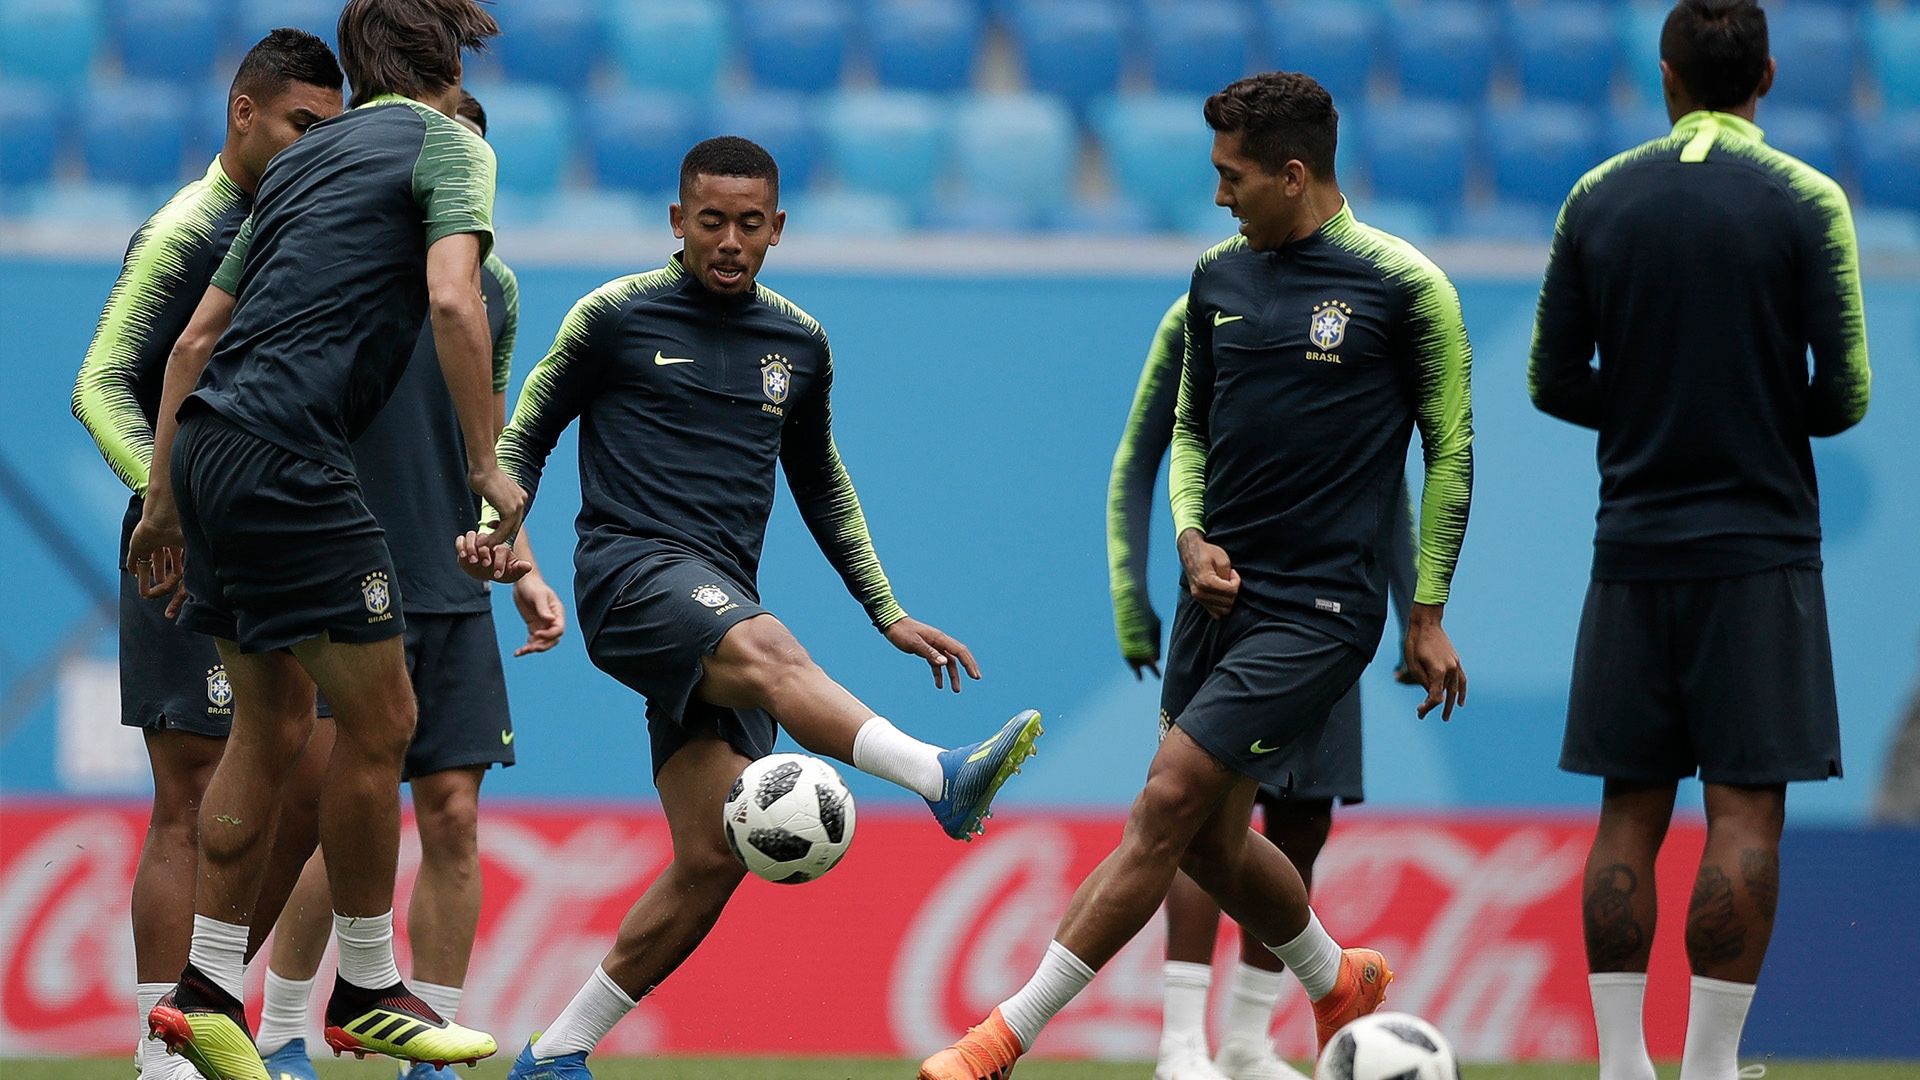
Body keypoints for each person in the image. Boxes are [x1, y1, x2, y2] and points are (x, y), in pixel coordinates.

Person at [922, 71, 1473, 1080]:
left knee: (1167, 801)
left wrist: (1426, 611)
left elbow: (1452, 452)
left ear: (1293, 174)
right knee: (1211, 844)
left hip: (1322, 608)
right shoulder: (1217, 278)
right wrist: (1185, 539)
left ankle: (1001, 1040)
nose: (1218, 195)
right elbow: (1186, 431)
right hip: (1213, 603)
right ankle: (1334, 978)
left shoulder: (1404, 287)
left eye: (1233, 177)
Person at [478, 136, 1042, 1079]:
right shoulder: (613, 317)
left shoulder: (801, 343)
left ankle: (557, 1051)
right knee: (772, 648)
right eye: (711, 222)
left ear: (778, 227)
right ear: (677, 222)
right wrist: (499, 531)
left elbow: (823, 484)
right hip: (628, 574)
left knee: (713, 855)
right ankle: (942, 779)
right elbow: (525, 433)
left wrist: (885, 610)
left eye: (749, 224)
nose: (729, 242)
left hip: (717, 602)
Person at [125, 1, 517, 1076]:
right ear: (445, 64)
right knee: (384, 718)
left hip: (209, 450)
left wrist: (165, 498)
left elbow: (197, 339)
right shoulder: (452, 145)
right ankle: (368, 984)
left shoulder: (302, 161)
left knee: (273, 721)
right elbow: (453, 301)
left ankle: (206, 991)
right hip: (293, 455)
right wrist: (486, 464)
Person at [1528, 3, 1870, 1079]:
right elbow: (1846, 393)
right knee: (1743, 808)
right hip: (1761, 551)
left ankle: (1622, 1067)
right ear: (1767, 73)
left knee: (1628, 807)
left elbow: (1551, 380)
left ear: (1666, 75)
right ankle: (1711, 1067)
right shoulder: (1809, 200)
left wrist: (1644, 413)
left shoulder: (1595, 198)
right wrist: (1757, 413)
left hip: (1632, 549)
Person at [253, 90, 569, 1080]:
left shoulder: (496, 293)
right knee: (353, 813)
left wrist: (513, 558)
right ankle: (282, 1031)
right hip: (351, 576)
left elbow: (486, 443)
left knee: (456, 816)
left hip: (451, 583)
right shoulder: (341, 273)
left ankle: (426, 1048)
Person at [69, 29, 345, 1080]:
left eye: (330, 131)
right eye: (299, 126)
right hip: (181, 545)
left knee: (313, 782)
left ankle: (205, 1005)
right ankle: (163, 1057)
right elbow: (100, 383)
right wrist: (166, 504)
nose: (314, 147)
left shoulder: (296, 224)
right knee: (189, 791)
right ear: (245, 113)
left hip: (281, 540)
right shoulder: (187, 230)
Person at [1107, 295, 1418, 1080]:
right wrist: (1129, 593)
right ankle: (1182, 1042)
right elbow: (1141, 453)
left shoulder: (1363, 304)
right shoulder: (1202, 307)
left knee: (1303, 820)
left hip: (1328, 605)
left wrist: (1418, 608)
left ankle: (1247, 1041)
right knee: (1202, 818)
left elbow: (1385, 478)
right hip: (1229, 601)